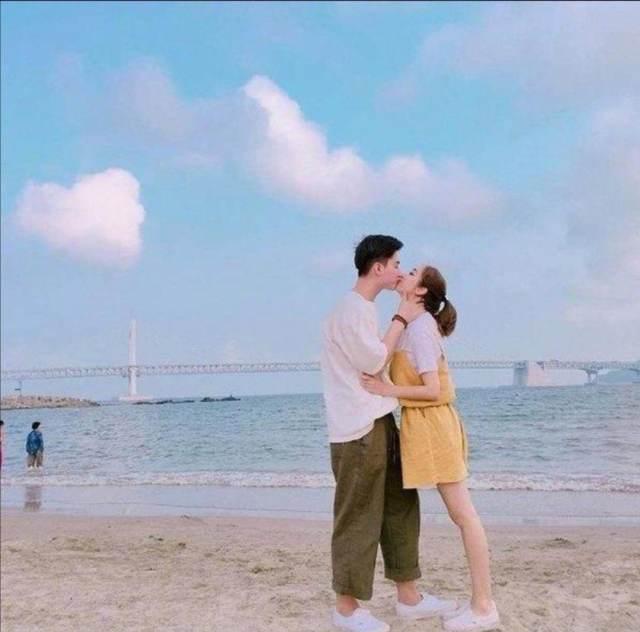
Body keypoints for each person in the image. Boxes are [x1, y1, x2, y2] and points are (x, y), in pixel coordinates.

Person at [321, 236, 457, 632]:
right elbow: (373, 361)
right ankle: (346, 609)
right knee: (358, 516)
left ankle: (409, 597)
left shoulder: (363, 310)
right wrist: (400, 318)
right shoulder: (351, 310)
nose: (400, 270)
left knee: (401, 507)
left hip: (380, 421)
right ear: (378, 267)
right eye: (396, 263)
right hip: (357, 430)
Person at [361, 265, 500, 632]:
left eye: (411, 272)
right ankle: (479, 603)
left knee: (464, 516)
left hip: (435, 427)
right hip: (426, 427)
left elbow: (433, 389)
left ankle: (484, 606)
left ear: (421, 291)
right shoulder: (413, 325)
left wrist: (388, 390)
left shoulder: (422, 329)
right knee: (462, 516)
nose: (402, 272)